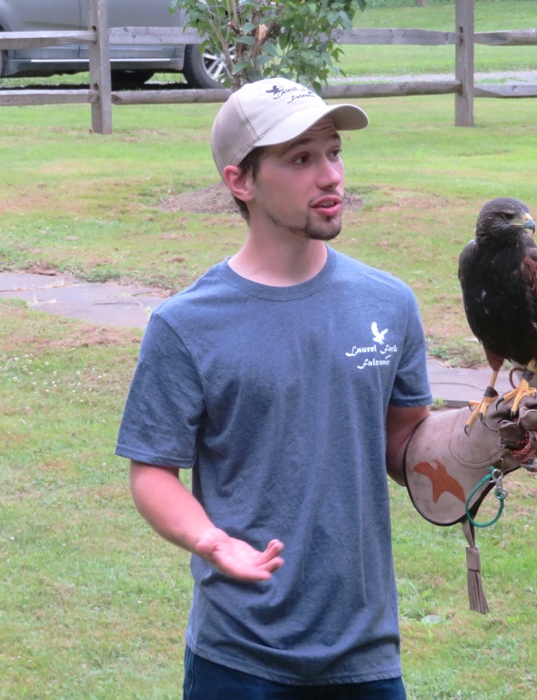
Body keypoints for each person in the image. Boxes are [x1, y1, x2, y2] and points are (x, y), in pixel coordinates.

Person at [115, 77, 433, 699]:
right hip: (239, 656)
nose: (331, 176)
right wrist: (211, 541)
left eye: (334, 152)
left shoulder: (389, 304)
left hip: (366, 653)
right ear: (242, 181)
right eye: (301, 158)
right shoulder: (186, 325)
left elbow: (406, 443)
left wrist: (481, 447)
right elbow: (151, 472)